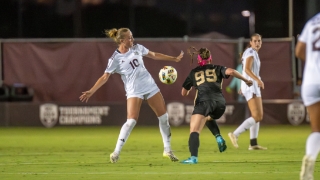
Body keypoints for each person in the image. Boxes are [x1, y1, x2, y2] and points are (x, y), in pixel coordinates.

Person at [79, 27, 184, 163]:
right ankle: (116, 152)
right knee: (131, 120)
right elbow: (105, 77)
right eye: (129, 38)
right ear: (122, 41)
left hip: (150, 86)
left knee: (164, 117)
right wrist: (92, 90)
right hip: (134, 91)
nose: (132, 39)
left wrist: (173, 59)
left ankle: (167, 149)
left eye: (132, 36)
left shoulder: (137, 48)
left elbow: (153, 54)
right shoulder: (115, 59)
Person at [180, 47, 253, 164]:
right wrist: (246, 80)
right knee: (207, 118)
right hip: (220, 104)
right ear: (210, 59)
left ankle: (193, 158)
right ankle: (218, 137)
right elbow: (232, 71)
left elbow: (183, 92)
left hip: (203, 102)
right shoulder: (217, 68)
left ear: (199, 59)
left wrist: (189, 88)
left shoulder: (194, 72)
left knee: (194, 130)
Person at [228, 33, 268, 150]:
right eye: (255, 41)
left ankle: (253, 143)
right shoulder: (250, 52)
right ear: (250, 42)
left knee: (256, 115)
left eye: (259, 41)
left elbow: (245, 71)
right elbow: (246, 69)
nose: (257, 43)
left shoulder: (251, 52)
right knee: (258, 116)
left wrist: (242, 84)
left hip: (249, 85)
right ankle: (235, 134)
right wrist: (258, 80)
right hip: (252, 86)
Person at [295, 13, 320, 180]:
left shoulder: (312, 21)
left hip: (310, 80)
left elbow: (299, 51)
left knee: (316, 129)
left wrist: (312, 62)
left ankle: (310, 157)